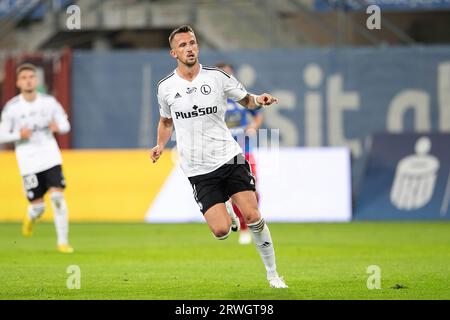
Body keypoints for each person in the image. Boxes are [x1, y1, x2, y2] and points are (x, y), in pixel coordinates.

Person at [151, 25, 287, 288]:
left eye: (192, 43)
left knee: (253, 216)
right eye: (183, 45)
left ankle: (273, 274)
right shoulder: (166, 87)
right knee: (221, 231)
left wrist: (260, 99)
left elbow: (246, 100)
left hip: (230, 157)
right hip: (198, 168)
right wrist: (159, 145)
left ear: (197, 47)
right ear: (173, 53)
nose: (189, 48)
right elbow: (166, 122)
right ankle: (224, 205)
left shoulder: (217, 77)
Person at [0, 63, 74, 253]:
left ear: (36, 80)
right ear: (18, 82)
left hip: (50, 155)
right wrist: (18, 134)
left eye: (31, 77)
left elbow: (65, 125)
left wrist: (58, 127)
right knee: (39, 208)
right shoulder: (12, 108)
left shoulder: (49, 102)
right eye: (24, 78)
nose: (28, 80)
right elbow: (2, 134)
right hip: (28, 161)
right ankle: (31, 217)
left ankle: (63, 242)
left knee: (57, 196)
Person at [216, 62, 263, 245]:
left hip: (245, 150)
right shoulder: (213, 100)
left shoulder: (240, 97)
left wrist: (253, 126)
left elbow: (257, 114)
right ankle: (243, 227)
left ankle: (251, 222)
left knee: (253, 191)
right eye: (223, 74)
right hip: (223, 154)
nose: (227, 78)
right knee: (232, 193)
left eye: (229, 74)